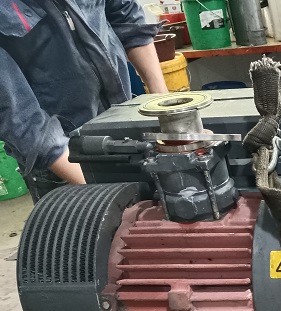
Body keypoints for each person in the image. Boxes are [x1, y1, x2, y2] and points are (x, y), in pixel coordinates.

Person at [0, 0, 168, 201]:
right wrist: (107, 197)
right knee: (99, 219)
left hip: (124, 130)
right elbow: (19, 118)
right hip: (63, 162)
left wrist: (164, 105)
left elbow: (125, 15)